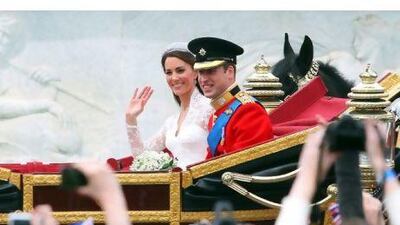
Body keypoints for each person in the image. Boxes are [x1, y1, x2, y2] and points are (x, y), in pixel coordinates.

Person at [0, 14, 82, 163]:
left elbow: (44, 106)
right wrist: (46, 105)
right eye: (0, 32)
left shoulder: (16, 71)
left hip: (32, 133)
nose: (2, 40)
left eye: (7, 35)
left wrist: (50, 83)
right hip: (6, 135)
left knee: (57, 131)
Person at [125, 42, 213, 169]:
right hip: (176, 186)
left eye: (180, 70)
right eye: (169, 72)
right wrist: (130, 119)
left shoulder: (209, 108)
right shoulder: (171, 122)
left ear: (196, 72)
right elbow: (141, 156)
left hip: (204, 184)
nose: (174, 78)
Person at [187, 37, 273, 159]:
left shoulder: (249, 110)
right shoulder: (216, 114)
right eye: (200, 72)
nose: (203, 79)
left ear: (229, 72)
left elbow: (247, 165)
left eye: (210, 71)